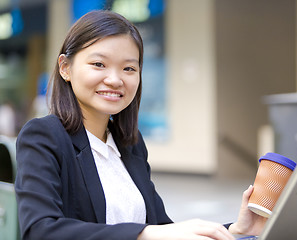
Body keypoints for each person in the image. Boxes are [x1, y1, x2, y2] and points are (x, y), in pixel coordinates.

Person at [15, 10, 266, 240]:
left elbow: (164, 229)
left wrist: (234, 230)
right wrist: (142, 234)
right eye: (99, 64)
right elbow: (40, 230)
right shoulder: (43, 136)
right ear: (65, 68)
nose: (114, 79)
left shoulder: (129, 143)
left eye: (128, 68)